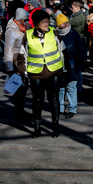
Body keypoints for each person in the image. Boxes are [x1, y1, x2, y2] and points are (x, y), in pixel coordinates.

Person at [25, 9, 64, 137]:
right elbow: (22, 54)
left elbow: (60, 51)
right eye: (43, 22)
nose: (46, 24)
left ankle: (55, 127)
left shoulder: (54, 33)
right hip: (36, 72)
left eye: (47, 22)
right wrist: (24, 72)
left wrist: (63, 68)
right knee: (37, 100)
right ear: (37, 23)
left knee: (54, 99)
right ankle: (37, 127)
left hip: (54, 71)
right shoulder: (28, 34)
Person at [2, 7, 29, 121]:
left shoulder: (20, 29)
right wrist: (9, 67)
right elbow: (8, 49)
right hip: (15, 63)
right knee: (19, 90)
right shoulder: (12, 31)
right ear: (19, 20)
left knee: (22, 89)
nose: (26, 22)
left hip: (22, 61)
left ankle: (21, 111)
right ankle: (19, 113)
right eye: (24, 20)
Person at [57, 13, 86, 118]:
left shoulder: (74, 34)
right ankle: (60, 107)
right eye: (61, 24)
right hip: (59, 66)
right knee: (60, 87)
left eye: (64, 23)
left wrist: (80, 66)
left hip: (72, 65)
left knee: (71, 87)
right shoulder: (56, 35)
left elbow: (80, 51)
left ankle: (72, 108)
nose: (64, 25)